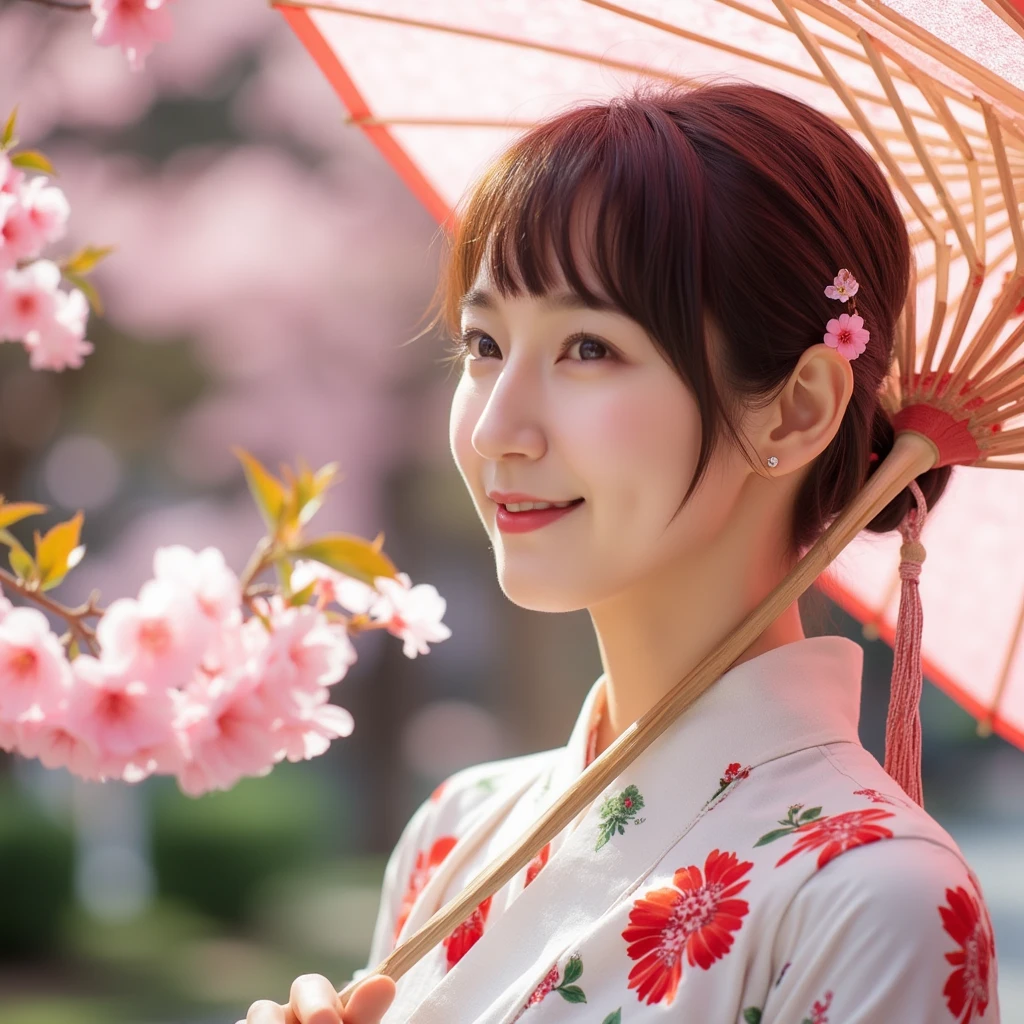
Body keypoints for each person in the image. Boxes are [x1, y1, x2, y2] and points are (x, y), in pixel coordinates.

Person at [240, 81, 999, 1024]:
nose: (495, 430)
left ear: (799, 406)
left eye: (588, 348)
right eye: (483, 342)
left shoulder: (875, 899)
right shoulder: (458, 832)